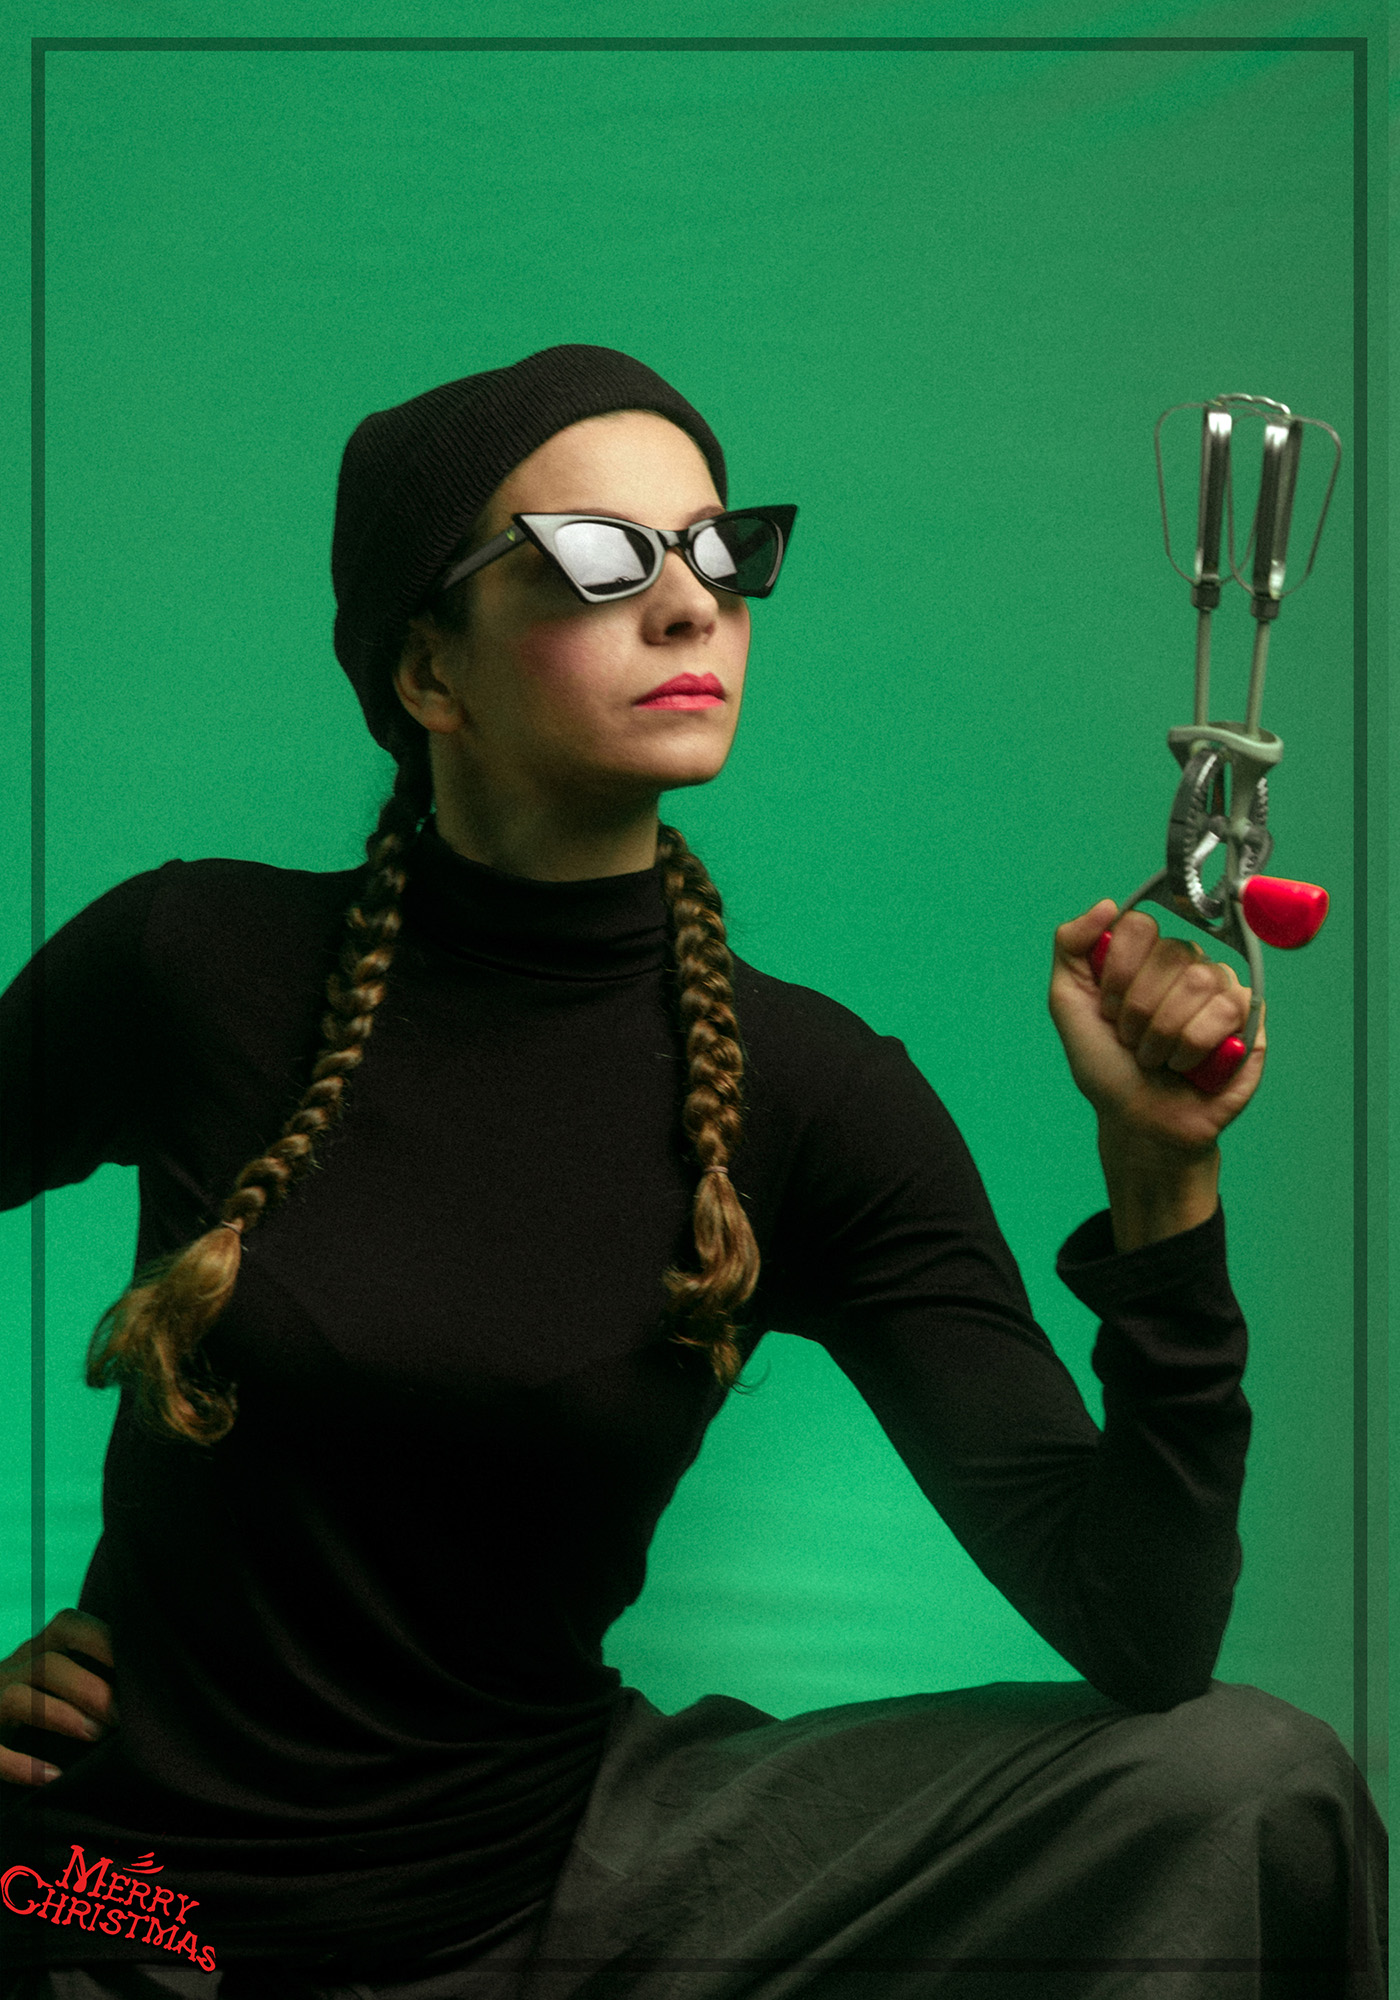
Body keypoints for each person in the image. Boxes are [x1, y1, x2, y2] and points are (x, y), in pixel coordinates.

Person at [0, 345, 1384, 2000]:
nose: (688, 607)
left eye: (723, 554)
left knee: (1247, 1783)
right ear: (429, 668)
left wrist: (1162, 1181)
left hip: (568, 1907)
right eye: (600, 557)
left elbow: (1141, 1628)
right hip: (137, 1908)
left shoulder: (816, 1096)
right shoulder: (191, 959)